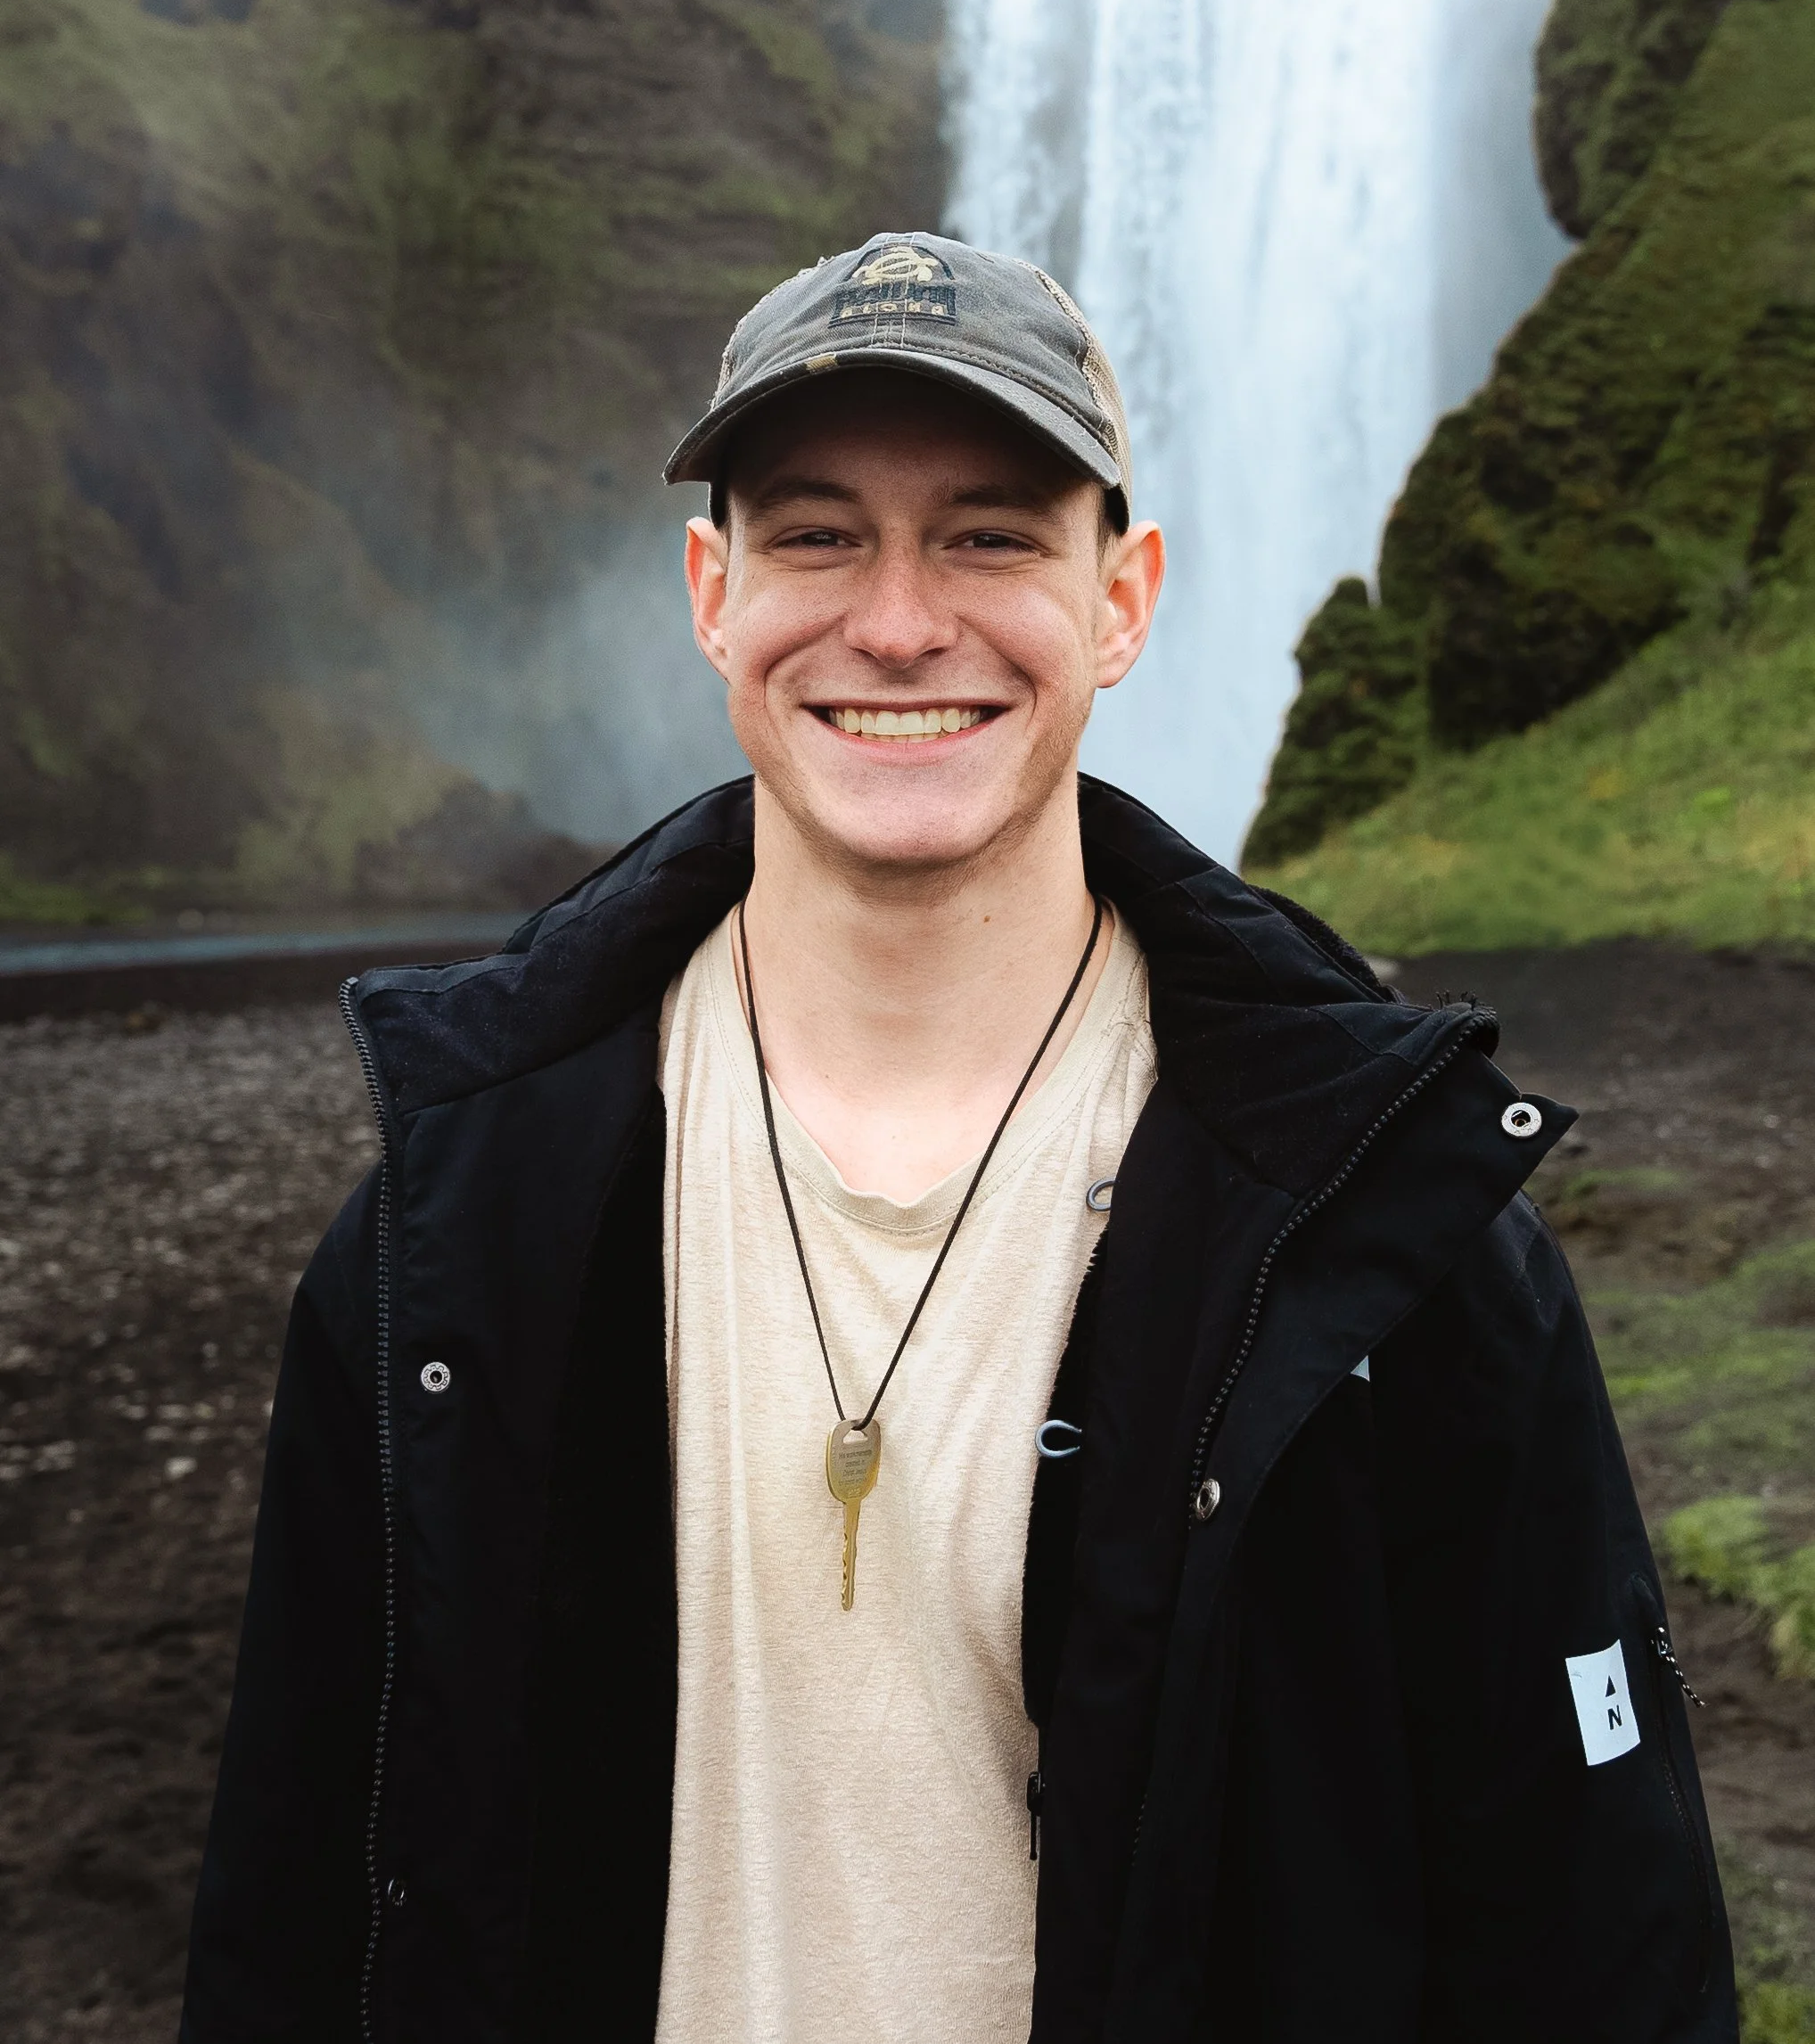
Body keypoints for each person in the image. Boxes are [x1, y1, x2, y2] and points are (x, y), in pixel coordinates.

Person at [180, 234, 1736, 2044]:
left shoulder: (1389, 1238)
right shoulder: (446, 1232)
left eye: (991, 534)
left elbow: (1589, 1929)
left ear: (1122, 600)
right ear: (711, 592)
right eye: (818, 534)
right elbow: (289, 1899)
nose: (901, 622)